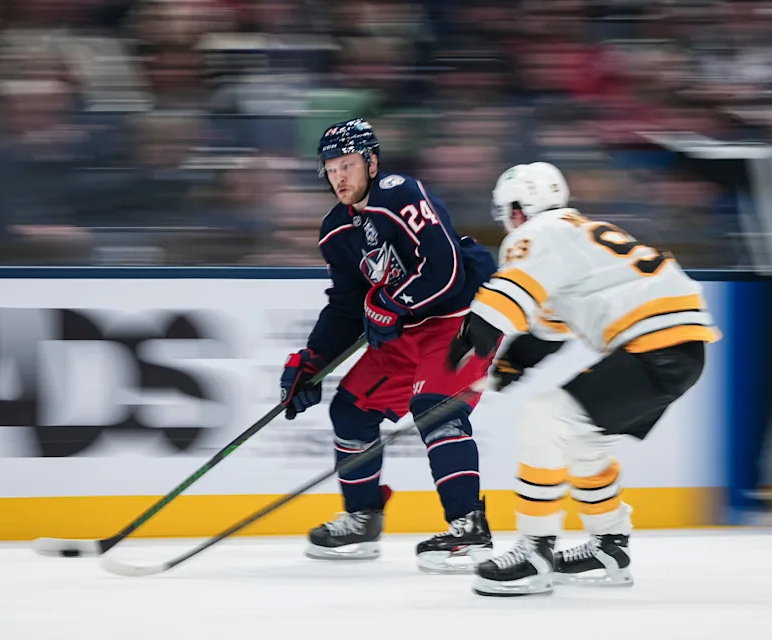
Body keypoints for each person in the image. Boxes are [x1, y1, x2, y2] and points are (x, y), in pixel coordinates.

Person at [447, 162, 721, 595]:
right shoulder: (576, 236)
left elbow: (507, 296)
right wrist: (507, 370)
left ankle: (535, 553)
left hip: (655, 345)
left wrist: (468, 338)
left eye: (508, 211)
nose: (508, 222)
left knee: (545, 419)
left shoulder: (537, 234)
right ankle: (609, 545)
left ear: (518, 208)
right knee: (582, 440)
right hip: (679, 347)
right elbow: (548, 331)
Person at [280, 118, 498, 572]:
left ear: (371, 162)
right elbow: (345, 306)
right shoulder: (334, 231)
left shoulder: (400, 193)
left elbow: (446, 269)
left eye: (347, 164)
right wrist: (313, 359)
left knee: (437, 408)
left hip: (461, 318)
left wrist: (392, 302)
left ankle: (469, 529)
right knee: (351, 409)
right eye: (330, 168)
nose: (338, 176)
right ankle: (362, 517)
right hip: (407, 330)